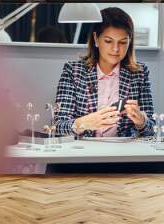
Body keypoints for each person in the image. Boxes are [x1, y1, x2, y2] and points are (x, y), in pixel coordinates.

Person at [54, 7, 155, 137]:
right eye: (108, 41)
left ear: (130, 42)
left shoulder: (139, 73)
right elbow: (58, 126)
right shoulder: (74, 71)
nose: (115, 49)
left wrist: (142, 121)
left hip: (123, 153)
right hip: (83, 152)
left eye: (123, 42)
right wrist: (84, 123)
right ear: (96, 39)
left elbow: (152, 130)